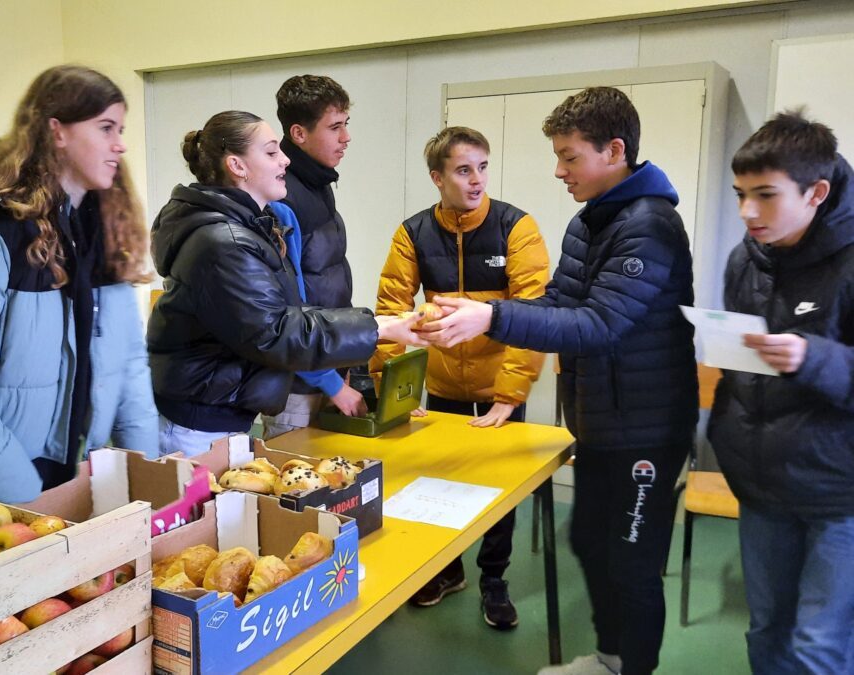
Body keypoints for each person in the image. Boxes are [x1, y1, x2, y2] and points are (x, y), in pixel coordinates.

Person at [422, 88, 697, 675]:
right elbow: (558, 304)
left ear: (614, 150)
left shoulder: (650, 225)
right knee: (590, 546)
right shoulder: (589, 220)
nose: (559, 170)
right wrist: (475, 312)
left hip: (644, 430)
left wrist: (492, 317)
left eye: (570, 156)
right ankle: (608, 659)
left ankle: (631, 668)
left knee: (631, 563)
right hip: (598, 422)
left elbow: (599, 324)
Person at [0, 65, 159, 503]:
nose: (121, 144)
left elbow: (129, 366)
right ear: (57, 131)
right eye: (106, 128)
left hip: (70, 473)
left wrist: (146, 479)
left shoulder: (99, 230)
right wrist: (29, 501)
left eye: (121, 129)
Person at [147, 110, 424, 457]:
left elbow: (286, 314)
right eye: (272, 151)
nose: (285, 160)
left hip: (220, 415)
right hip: (196, 425)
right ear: (237, 165)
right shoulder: (225, 242)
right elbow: (276, 332)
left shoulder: (249, 228)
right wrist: (375, 327)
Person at [371, 126, 549, 628]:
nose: (476, 180)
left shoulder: (518, 227)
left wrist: (509, 396)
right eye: (463, 170)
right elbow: (390, 312)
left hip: (500, 390)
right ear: (437, 177)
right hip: (443, 387)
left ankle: (494, 579)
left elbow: (533, 313)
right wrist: (396, 393)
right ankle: (447, 570)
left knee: (498, 489)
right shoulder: (412, 233)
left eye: (483, 168)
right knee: (441, 485)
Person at [707, 111, 854, 675]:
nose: (747, 212)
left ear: (816, 192)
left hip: (839, 494)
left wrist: (812, 357)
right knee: (767, 627)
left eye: (765, 196)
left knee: (820, 645)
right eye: (741, 193)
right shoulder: (745, 259)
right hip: (762, 483)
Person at [260, 75, 365, 437]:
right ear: (299, 134)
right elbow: (285, 310)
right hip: (298, 388)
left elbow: (326, 282)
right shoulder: (281, 199)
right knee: (300, 490)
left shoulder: (319, 185)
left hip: (330, 371)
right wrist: (330, 383)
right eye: (335, 127)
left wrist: (344, 361)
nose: (346, 137)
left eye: (346, 125)